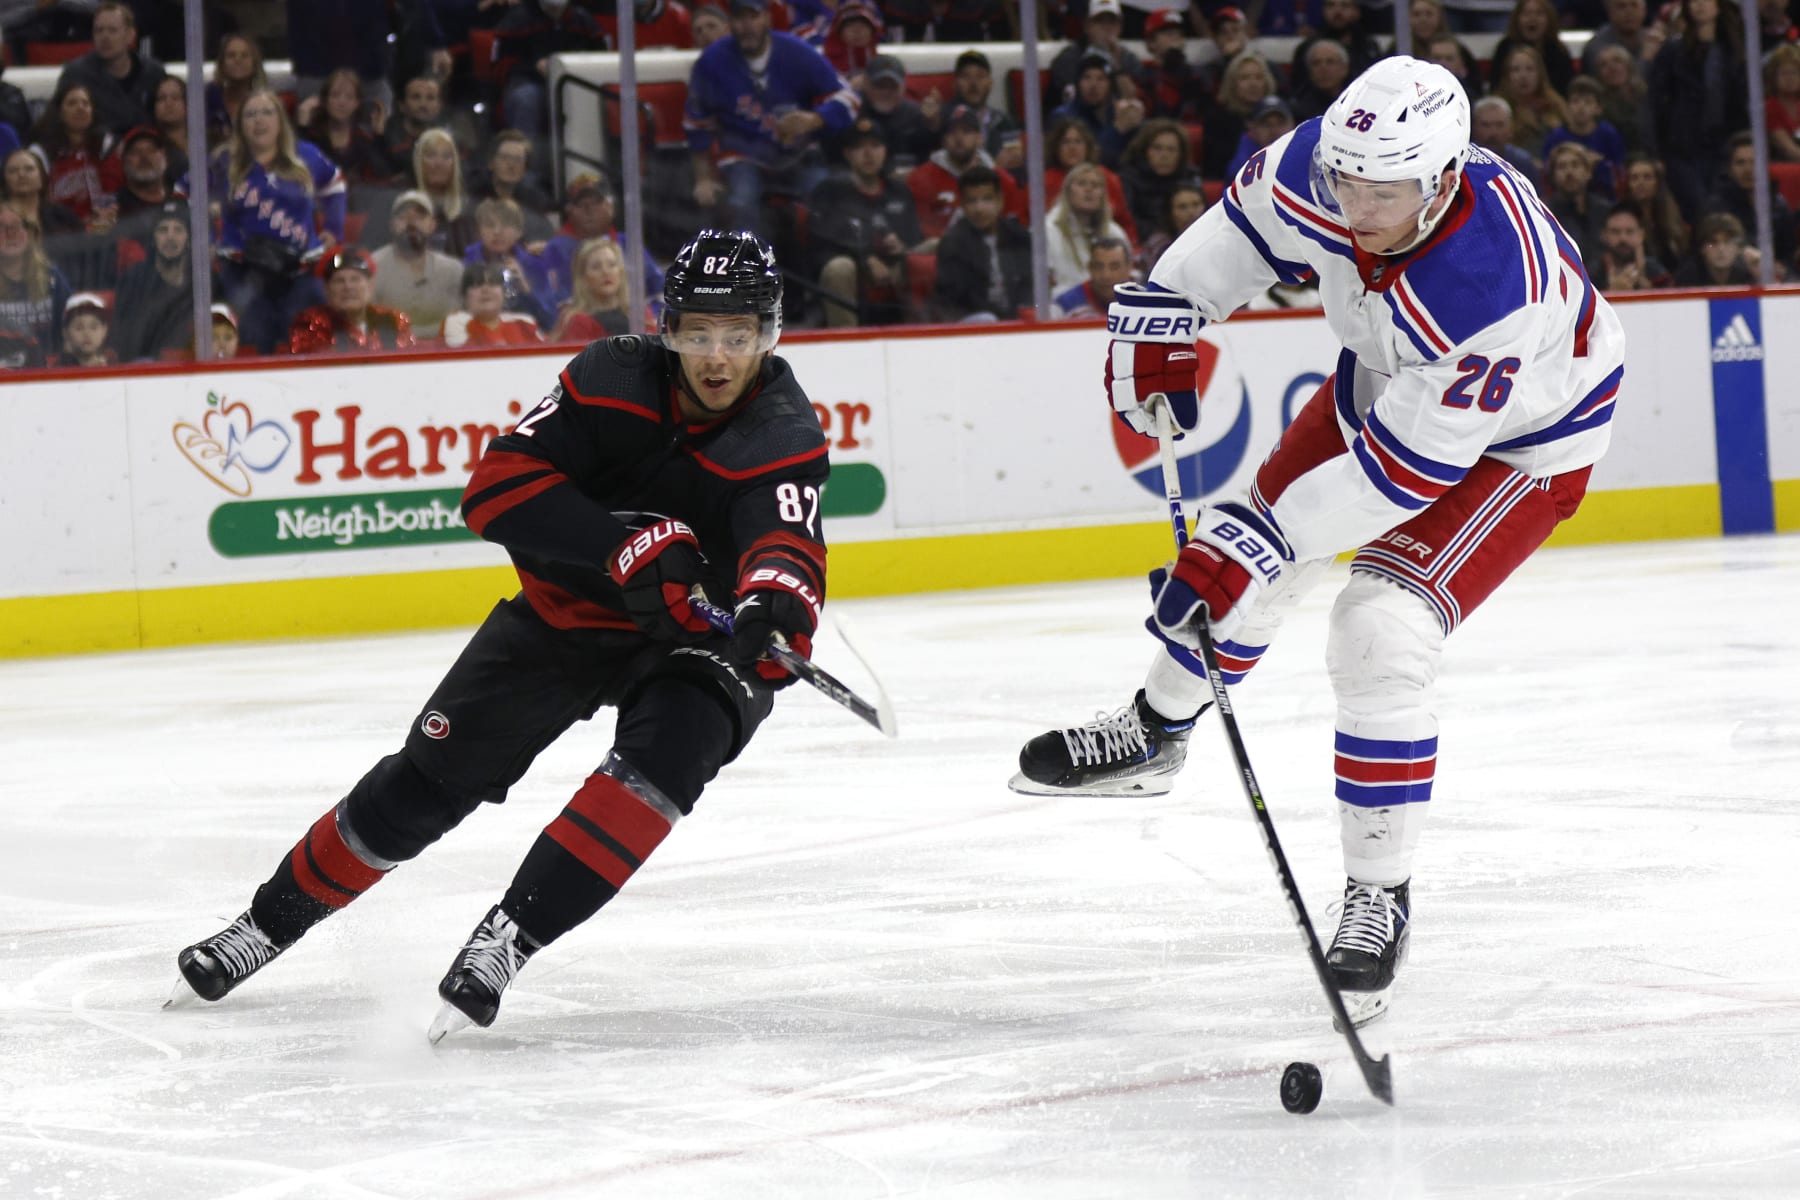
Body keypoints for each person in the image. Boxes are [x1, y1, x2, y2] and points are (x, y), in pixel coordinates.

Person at [1011, 57, 1626, 1031]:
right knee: (1243, 569)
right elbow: (1232, 243)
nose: (1356, 207)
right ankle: (1156, 732)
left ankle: (1379, 895)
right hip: (1392, 378)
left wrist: (1262, 536)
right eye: (1346, 183)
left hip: (1523, 442)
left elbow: (1400, 479)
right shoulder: (1328, 165)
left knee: (1379, 630)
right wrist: (1168, 317)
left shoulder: (1486, 287)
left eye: (1383, 192)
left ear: (1441, 177)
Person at [170, 230, 831, 1044]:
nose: (718, 356)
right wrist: (618, 544)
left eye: (739, 335)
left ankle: (507, 941)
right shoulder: (610, 375)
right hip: (566, 616)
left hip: (691, 638)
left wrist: (771, 611)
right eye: (698, 332)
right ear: (668, 329)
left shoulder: (784, 433)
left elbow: (788, 548)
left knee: (671, 752)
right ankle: (263, 927)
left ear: (771, 335)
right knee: (423, 785)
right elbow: (493, 490)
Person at [182, 87, 348, 355]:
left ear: (280, 120)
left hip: (300, 270)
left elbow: (335, 184)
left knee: (309, 344)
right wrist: (207, 238)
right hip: (242, 271)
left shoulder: (306, 155)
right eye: (251, 114)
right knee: (253, 340)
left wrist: (333, 228)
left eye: (267, 113)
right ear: (240, 124)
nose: (259, 121)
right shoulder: (224, 160)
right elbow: (185, 193)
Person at [683, 0, 859, 242]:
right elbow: (697, 124)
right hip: (743, 155)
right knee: (741, 202)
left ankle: (823, 269)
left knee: (825, 196)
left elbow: (849, 98)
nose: (746, 26)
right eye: (739, 19)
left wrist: (816, 119)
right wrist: (703, 178)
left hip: (798, 154)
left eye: (753, 17)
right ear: (731, 23)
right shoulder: (711, 62)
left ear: (766, 18)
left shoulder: (796, 51)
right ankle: (750, 275)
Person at [809, 116, 924, 326]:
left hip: (896, 268)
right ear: (847, 154)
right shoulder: (830, 192)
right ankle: (846, 341)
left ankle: (927, 332)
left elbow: (916, 236)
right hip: (853, 271)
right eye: (859, 147)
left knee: (933, 248)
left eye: (875, 145)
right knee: (839, 267)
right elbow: (821, 243)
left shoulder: (898, 191)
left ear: (885, 151)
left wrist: (902, 245)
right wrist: (866, 258)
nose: (869, 154)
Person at [542, 173, 664, 317]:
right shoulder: (557, 249)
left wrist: (647, 317)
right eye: (581, 204)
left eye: (596, 203)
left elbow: (662, 292)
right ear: (570, 211)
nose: (589, 210)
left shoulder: (627, 243)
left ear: (610, 207)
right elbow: (553, 305)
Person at [909, 104, 1028, 244]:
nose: (958, 138)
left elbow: (1017, 227)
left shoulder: (1003, 181)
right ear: (943, 140)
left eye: (966, 131)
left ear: (980, 138)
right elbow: (915, 229)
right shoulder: (920, 179)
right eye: (951, 132)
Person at [112, 199, 212, 361]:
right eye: (163, 230)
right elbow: (122, 338)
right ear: (153, 238)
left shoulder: (203, 279)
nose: (170, 237)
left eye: (178, 230)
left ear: (188, 239)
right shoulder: (134, 280)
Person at [932, 164, 1031, 322]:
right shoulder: (953, 243)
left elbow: (1029, 283)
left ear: (1000, 200)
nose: (979, 208)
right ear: (962, 205)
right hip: (970, 319)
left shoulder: (1018, 235)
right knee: (987, 318)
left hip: (1016, 317)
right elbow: (963, 300)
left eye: (987, 199)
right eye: (972, 201)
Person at [54, 1, 167, 138]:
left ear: (130, 35)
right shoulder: (75, 74)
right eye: (99, 30)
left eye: (112, 30)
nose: (105, 37)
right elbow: (58, 123)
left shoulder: (154, 72)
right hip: (96, 152)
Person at [370, 190, 465, 339]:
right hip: (391, 354)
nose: (411, 223)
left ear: (432, 225)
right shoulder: (373, 268)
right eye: (403, 217)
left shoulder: (453, 270)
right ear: (392, 225)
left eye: (419, 217)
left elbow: (463, 322)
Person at [288, 247, 416, 355]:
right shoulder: (310, 323)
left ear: (371, 285)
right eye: (339, 281)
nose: (348, 287)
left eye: (355, 279)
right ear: (326, 289)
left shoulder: (393, 321)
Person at [29, 84, 123, 227]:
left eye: (86, 103)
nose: (80, 108)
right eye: (72, 103)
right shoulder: (40, 152)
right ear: (59, 112)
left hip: (103, 225)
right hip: (58, 230)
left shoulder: (105, 145)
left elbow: (114, 189)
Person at [463, 196, 557, 329]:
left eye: (506, 225)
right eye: (490, 225)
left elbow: (549, 322)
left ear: (519, 232)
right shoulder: (466, 265)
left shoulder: (535, 265)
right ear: (478, 232)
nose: (497, 232)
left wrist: (525, 287)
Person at [0, 206, 72, 368]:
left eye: (17, 227)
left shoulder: (53, 278)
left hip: (47, 372)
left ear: (31, 234)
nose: (10, 235)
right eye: (1, 228)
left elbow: (70, 328)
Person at [1044, 161, 1132, 290]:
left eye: (1095, 185)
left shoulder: (1114, 233)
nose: (1088, 189)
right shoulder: (1048, 229)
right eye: (1081, 184)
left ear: (1103, 194)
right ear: (1068, 191)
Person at [1541, 78, 1627, 198]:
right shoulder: (1556, 136)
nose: (1581, 107)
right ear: (1567, 106)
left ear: (1598, 108)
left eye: (1588, 102)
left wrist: (1600, 164)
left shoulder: (1608, 134)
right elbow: (1547, 172)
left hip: (1603, 196)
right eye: (1575, 101)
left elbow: (1619, 171)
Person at [551, 237, 644, 341]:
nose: (605, 272)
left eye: (612, 265)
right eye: (596, 267)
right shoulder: (577, 323)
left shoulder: (640, 312)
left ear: (620, 271)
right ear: (583, 278)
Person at [441, 260, 545, 348]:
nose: (485, 289)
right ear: (465, 296)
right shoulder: (456, 324)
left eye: (493, 283)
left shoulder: (524, 324)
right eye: (477, 284)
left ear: (504, 293)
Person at [412, 127, 477, 258]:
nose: (438, 163)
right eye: (431, 156)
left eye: (446, 156)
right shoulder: (404, 204)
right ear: (419, 161)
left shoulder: (467, 210)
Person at [1491, 0, 1573, 96]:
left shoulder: (1558, 51)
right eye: (1526, 14)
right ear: (1517, 18)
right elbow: (1496, 85)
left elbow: (1566, 89)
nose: (1532, 19)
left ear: (1549, 19)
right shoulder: (1505, 48)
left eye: (1539, 14)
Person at [1590, 203, 1672, 291]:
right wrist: (1612, 292)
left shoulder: (1658, 274)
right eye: (1615, 232)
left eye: (1630, 231)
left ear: (1641, 235)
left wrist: (1645, 286)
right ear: (1604, 235)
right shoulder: (1591, 274)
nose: (1623, 238)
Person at [204, 32, 267, 148]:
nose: (238, 60)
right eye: (231, 55)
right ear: (222, 63)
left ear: (254, 63)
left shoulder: (265, 101)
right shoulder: (208, 97)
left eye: (244, 55)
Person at [1050, 234, 1135, 318]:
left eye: (1114, 267)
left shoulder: (1145, 301)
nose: (1106, 275)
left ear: (1129, 268)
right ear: (1089, 268)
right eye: (1098, 267)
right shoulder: (1064, 306)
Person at [1673, 211, 1758, 284]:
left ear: (1738, 248)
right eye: (1713, 243)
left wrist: (1760, 272)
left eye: (1727, 242)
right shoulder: (1687, 277)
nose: (1721, 249)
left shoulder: (1749, 272)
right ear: (1702, 249)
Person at [1765, 43, 1800, 164]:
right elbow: (1788, 149)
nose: (1789, 78)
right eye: (1784, 73)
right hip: (1782, 165)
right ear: (1773, 77)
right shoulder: (1770, 106)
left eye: (1794, 73)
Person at [57, 289, 112, 366]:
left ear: (104, 330)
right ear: (65, 333)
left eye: (93, 327)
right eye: (79, 328)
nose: (87, 334)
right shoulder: (57, 370)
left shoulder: (116, 365)